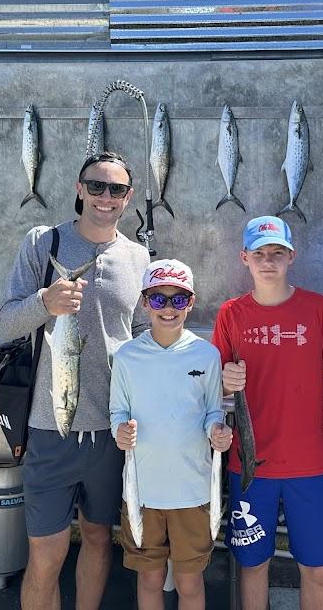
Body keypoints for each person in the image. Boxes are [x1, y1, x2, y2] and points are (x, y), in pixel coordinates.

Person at [0, 151, 151, 610]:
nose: (106, 197)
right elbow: (4, 324)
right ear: (80, 188)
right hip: (50, 428)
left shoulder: (138, 257)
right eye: (96, 186)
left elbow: (143, 333)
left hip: (112, 431)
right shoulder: (43, 243)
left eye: (116, 189)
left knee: (101, 538)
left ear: (128, 198)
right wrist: (45, 301)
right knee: (46, 551)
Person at [214, 216, 323, 610]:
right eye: (259, 254)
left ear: (291, 257)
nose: (268, 261)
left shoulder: (317, 308)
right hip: (251, 464)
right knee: (253, 566)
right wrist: (225, 378)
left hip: (311, 464)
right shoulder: (231, 314)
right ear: (245, 258)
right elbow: (214, 385)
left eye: (277, 253)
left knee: (317, 568)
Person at [110, 259, 233, 610]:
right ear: (144, 302)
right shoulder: (126, 356)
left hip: (193, 492)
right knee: (148, 579)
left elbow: (213, 410)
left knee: (190, 581)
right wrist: (121, 430)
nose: (168, 308)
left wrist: (217, 432)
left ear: (191, 303)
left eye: (178, 299)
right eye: (159, 299)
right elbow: (117, 410)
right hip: (141, 492)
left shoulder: (207, 355)